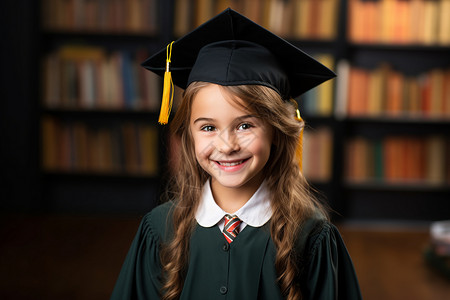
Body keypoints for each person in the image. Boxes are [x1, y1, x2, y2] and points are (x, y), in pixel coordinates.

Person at [111, 8, 362, 300]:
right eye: (208, 127)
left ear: (277, 131)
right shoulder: (159, 229)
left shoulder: (312, 236)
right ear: (189, 135)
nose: (227, 145)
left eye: (245, 125)